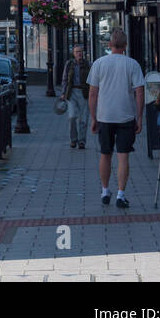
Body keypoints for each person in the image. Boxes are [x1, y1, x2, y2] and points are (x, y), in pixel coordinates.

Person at [87, 28, 145, 208]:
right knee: (123, 157)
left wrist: (93, 117)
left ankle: (105, 190)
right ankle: (120, 194)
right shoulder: (132, 64)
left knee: (105, 154)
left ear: (110, 45)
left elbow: (92, 94)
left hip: (105, 116)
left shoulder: (99, 63)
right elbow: (139, 92)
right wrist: (140, 117)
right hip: (126, 116)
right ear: (125, 46)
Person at [59, 44, 89, 149]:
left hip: (83, 92)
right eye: (77, 52)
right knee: (72, 117)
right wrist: (63, 92)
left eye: (81, 51)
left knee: (83, 119)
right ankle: (73, 140)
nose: (79, 54)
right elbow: (64, 79)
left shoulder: (87, 64)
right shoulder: (69, 64)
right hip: (71, 93)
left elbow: (92, 80)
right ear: (74, 53)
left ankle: (81, 141)